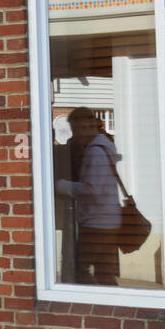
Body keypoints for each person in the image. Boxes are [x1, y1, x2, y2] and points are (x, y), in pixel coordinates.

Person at [56, 107, 122, 286]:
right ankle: (111, 305)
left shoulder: (96, 151)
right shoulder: (104, 146)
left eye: (79, 128)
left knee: (80, 269)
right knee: (104, 273)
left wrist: (60, 185)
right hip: (108, 220)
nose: (77, 134)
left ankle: (91, 305)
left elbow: (91, 190)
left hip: (97, 221)